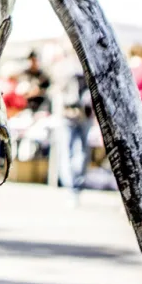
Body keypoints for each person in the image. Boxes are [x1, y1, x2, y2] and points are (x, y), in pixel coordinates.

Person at [49, 55, 94, 199]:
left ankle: (75, 183)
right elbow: (57, 92)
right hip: (68, 114)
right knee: (69, 150)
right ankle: (72, 185)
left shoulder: (89, 66)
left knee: (80, 151)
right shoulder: (64, 68)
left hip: (83, 115)